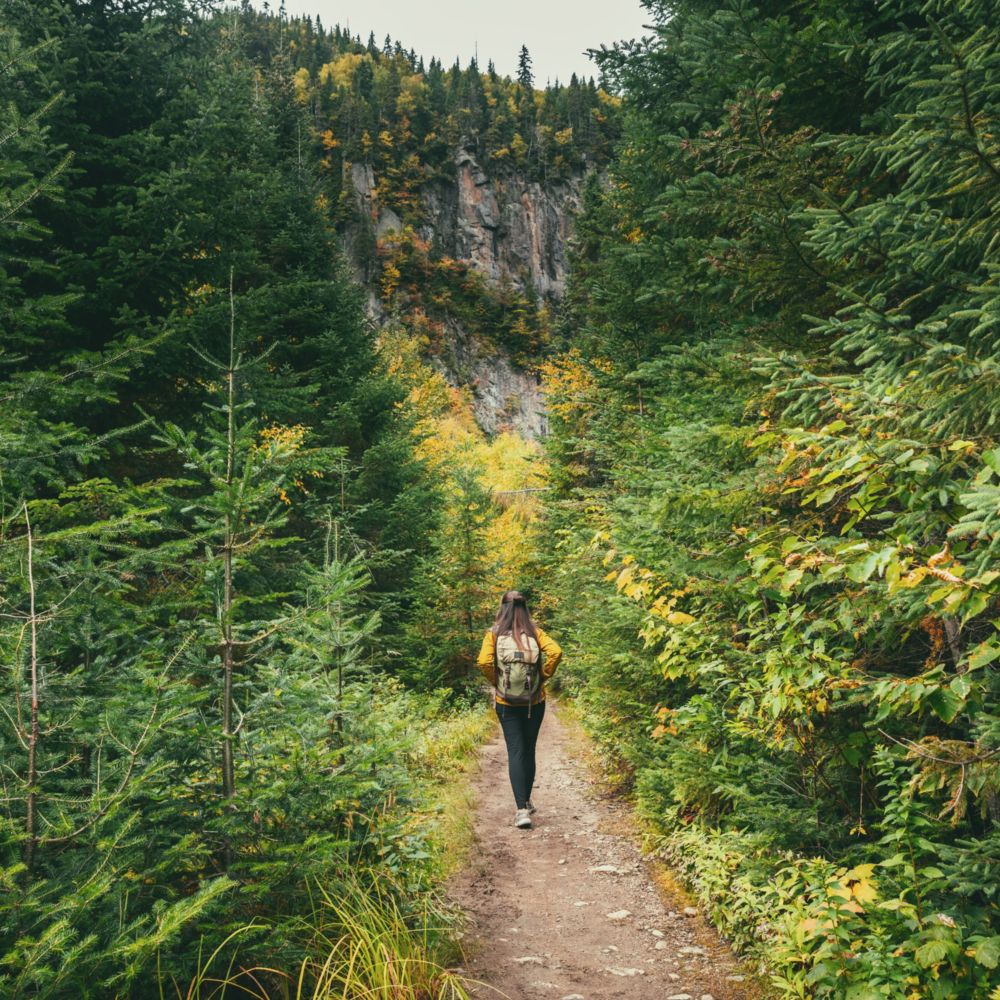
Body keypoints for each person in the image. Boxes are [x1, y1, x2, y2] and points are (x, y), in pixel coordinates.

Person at [477, 590, 562, 829]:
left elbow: (483, 662)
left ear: (502, 608)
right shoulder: (535, 631)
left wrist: (497, 682)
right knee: (529, 749)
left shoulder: (493, 633)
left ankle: (521, 810)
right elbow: (556, 652)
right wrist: (543, 676)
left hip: (506, 703)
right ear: (525, 608)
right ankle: (525, 799)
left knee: (515, 750)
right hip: (534, 701)